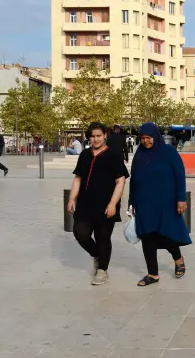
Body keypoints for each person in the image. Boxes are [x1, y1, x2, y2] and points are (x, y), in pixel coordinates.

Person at [129, 122, 191, 286]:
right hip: (144, 203)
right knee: (147, 237)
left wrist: (181, 198)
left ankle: (178, 258)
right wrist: (131, 201)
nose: (145, 141)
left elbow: (179, 175)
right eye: (142, 138)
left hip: (166, 202)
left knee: (166, 234)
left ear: (155, 137)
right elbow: (133, 178)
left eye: (148, 138)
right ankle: (153, 274)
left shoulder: (168, 152)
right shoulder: (139, 153)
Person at [67, 122, 129, 285]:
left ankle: (102, 270)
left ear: (105, 136)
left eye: (98, 136)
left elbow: (120, 181)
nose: (95, 139)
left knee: (103, 237)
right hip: (85, 204)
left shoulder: (114, 155)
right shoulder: (85, 155)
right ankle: (97, 255)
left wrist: (113, 204)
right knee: (80, 233)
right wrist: (72, 198)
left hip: (105, 205)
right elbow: (78, 178)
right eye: (92, 136)